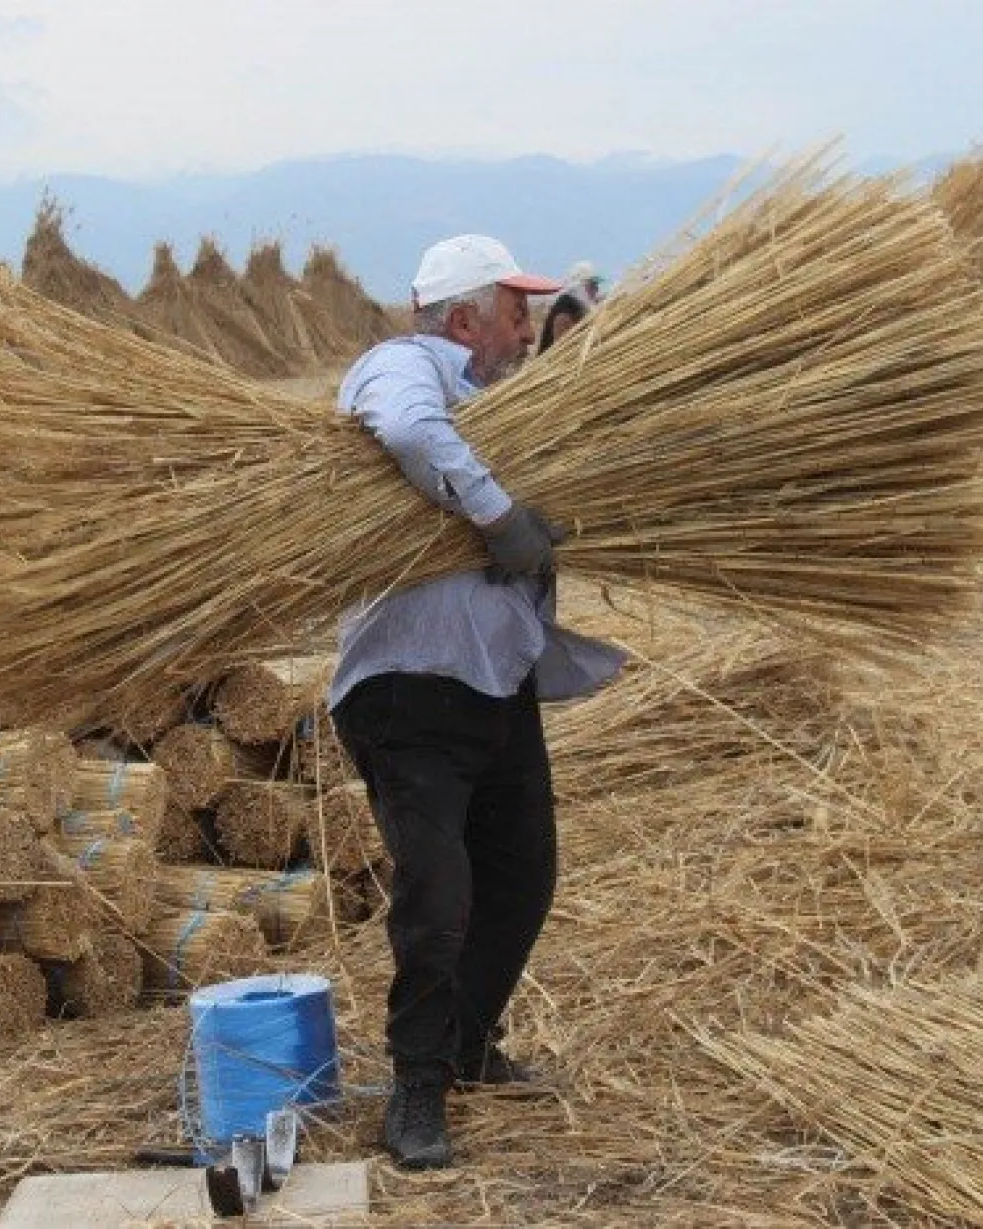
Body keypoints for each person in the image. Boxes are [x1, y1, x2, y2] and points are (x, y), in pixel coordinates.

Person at [330, 234, 625, 1170]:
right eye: (512, 311)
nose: (526, 328)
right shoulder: (401, 368)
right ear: (464, 320)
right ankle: (417, 1087)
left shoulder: (509, 407)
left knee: (524, 873)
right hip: (410, 690)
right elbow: (414, 435)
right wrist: (499, 519)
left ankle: (465, 1043)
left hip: (496, 684)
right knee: (438, 893)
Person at [537, 260, 604, 353]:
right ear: (579, 286)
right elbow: (563, 351)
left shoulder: (578, 308)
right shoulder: (565, 310)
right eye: (592, 285)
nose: (597, 289)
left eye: (596, 285)